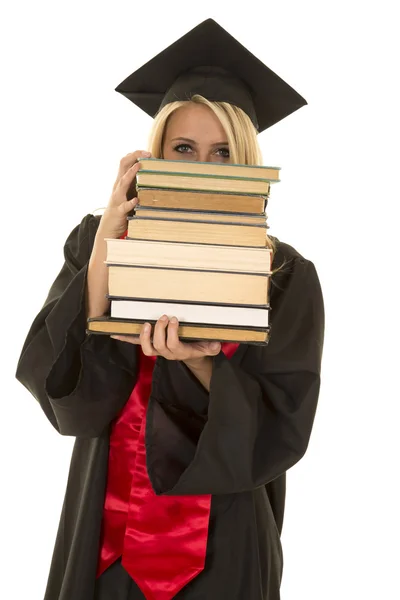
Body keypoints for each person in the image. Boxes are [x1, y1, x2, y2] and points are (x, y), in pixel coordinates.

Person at [15, 18, 325, 600]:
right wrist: (111, 237)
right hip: (104, 532)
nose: (201, 168)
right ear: (156, 152)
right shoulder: (97, 243)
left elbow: (284, 427)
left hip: (223, 541)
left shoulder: (284, 276)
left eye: (222, 153)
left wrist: (204, 364)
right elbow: (61, 395)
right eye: (183, 148)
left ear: (247, 163)